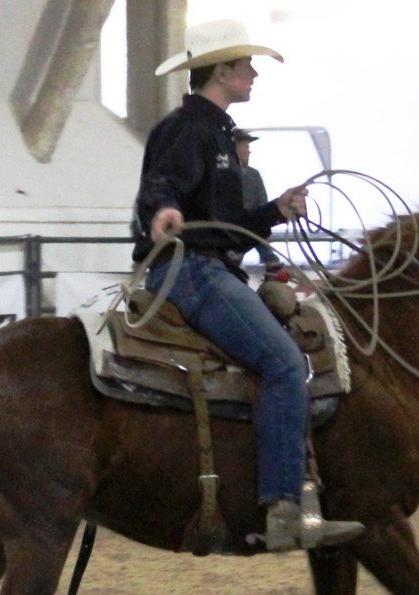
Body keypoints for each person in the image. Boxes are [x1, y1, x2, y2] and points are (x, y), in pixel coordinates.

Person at [131, 18, 363, 551]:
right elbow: (161, 182)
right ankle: (283, 509)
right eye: (246, 65)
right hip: (191, 270)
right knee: (283, 363)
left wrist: (276, 210)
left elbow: (229, 225)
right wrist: (163, 208)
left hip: (209, 264)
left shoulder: (216, 133)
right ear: (223, 71)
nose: (254, 74)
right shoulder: (186, 128)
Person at [232, 128, 280, 266]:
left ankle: (271, 267)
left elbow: (262, 201)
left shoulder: (254, 175)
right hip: (234, 227)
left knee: (266, 251)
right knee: (234, 259)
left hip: (253, 224)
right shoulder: (225, 175)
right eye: (245, 146)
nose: (249, 151)